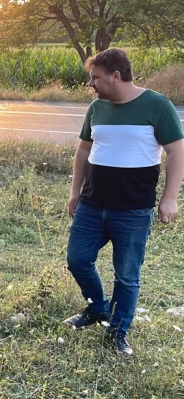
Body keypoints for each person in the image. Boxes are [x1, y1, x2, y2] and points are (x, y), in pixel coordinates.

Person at [63, 47, 184, 356]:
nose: (91, 84)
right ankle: (98, 308)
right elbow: (82, 151)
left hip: (132, 209)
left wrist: (170, 198)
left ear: (115, 76)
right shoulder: (96, 108)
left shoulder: (157, 106)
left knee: (127, 275)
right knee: (78, 259)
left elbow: (176, 152)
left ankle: (118, 332)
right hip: (91, 204)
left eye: (95, 78)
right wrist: (75, 191)